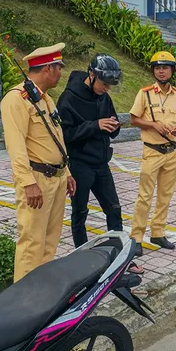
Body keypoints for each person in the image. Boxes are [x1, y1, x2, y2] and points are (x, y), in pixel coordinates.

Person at [57, 55, 143, 274]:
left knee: (114, 209)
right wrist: (94, 126)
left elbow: (112, 125)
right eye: (104, 84)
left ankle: (122, 257)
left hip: (101, 163)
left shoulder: (104, 97)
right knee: (80, 213)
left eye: (110, 86)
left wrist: (113, 126)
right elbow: (65, 135)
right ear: (91, 75)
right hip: (80, 164)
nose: (107, 89)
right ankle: (82, 261)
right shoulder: (68, 98)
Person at [1, 43, 76, 282]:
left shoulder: (46, 100)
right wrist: (27, 183)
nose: (60, 73)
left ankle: (42, 291)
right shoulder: (16, 99)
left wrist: (68, 172)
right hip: (37, 180)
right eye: (59, 68)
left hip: (56, 178)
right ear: (48, 69)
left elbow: (56, 139)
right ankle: (23, 299)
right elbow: (16, 145)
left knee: (50, 239)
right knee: (32, 241)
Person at [129, 51, 176, 258]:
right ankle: (136, 237)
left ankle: (158, 233)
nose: (161, 71)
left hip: (172, 152)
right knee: (144, 196)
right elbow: (133, 119)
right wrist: (153, 124)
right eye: (157, 67)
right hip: (152, 152)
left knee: (165, 196)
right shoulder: (145, 93)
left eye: (165, 67)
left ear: (172, 70)